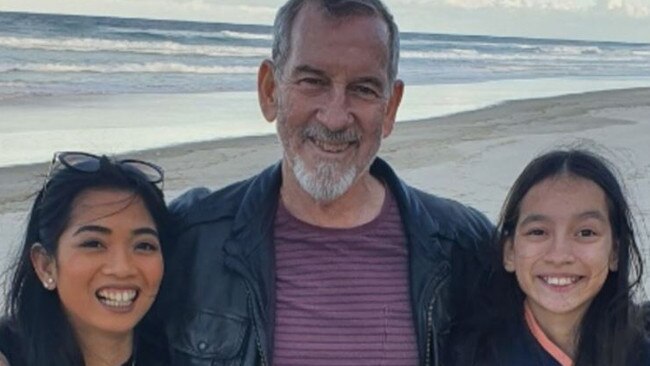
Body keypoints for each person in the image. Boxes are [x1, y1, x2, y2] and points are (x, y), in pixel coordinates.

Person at [159, 0, 492, 365]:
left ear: (391, 107)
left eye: (363, 89)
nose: (335, 117)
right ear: (270, 91)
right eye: (312, 82)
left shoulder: (466, 247)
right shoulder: (191, 241)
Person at [449, 149, 649, 366]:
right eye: (538, 232)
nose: (559, 256)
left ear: (615, 253)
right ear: (509, 252)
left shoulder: (641, 348)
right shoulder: (468, 355)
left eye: (586, 232)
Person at [0, 152, 171, 366]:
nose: (122, 268)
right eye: (94, 244)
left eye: (144, 245)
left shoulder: (186, 352)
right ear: (45, 266)